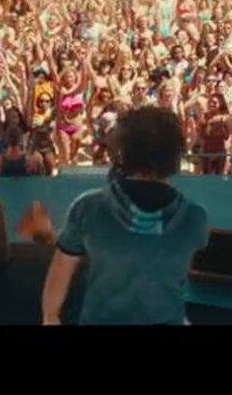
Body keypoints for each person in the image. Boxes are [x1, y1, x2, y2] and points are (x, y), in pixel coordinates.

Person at [41, 107, 208, 325]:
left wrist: (50, 317)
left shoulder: (87, 207)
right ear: (175, 155)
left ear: (123, 150)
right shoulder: (195, 217)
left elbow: (60, 275)